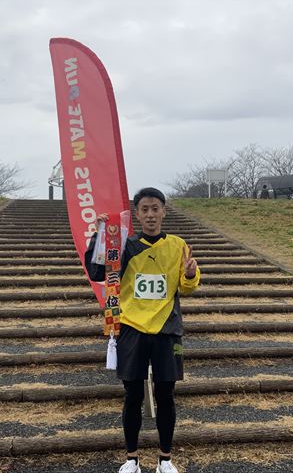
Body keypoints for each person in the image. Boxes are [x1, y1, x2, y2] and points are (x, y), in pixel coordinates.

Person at [85, 187, 200, 473]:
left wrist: (189, 274)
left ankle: (165, 459)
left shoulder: (177, 245)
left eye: (155, 208)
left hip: (167, 330)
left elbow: (186, 287)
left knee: (166, 395)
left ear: (164, 211)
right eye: (144, 209)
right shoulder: (125, 245)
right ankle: (132, 459)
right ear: (136, 214)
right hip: (131, 328)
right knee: (132, 396)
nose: (150, 214)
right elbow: (97, 272)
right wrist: (99, 235)